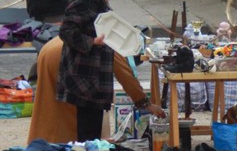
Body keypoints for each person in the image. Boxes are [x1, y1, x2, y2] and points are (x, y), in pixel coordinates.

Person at [56, 0, 165, 142]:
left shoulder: (99, 3)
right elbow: (66, 31)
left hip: (95, 78)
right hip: (84, 76)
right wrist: (92, 42)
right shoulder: (82, 2)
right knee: (88, 131)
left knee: (92, 130)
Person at [28, 36, 165, 144]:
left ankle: (44, 146)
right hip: (70, 56)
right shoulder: (108, 42)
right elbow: (125, 76)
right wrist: (145, 103)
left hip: (50, 49)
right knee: (81, 120)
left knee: (52, 106)